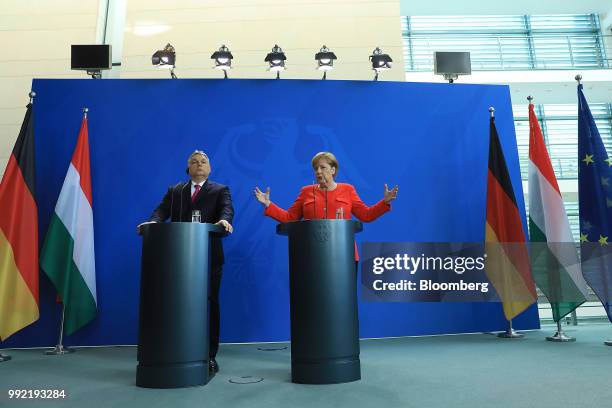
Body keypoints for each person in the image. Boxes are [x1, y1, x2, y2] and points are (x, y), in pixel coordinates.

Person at [137, 150, 233, 374]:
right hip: (177, 260)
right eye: (194, 162)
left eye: (203, 161)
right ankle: (179, 350)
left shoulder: (220, 190)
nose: (199, 164)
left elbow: (226, 210)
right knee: (178, 304)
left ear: (209, 168)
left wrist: (223, 220)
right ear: (187, 168)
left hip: (209, 257)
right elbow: (161, 211)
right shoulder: (176, 190)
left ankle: (209, 355)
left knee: (208, 304)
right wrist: (152, 222)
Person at [253, 151, 397, 258]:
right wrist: (268, 204)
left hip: (344, 254)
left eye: (322, 167)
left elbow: (366, 215)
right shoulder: (306, 191)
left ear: (333, 170)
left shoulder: (348, 189)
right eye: (315, 168)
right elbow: (290, 217)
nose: (318, 171)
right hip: (313, 254)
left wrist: (384, 202)